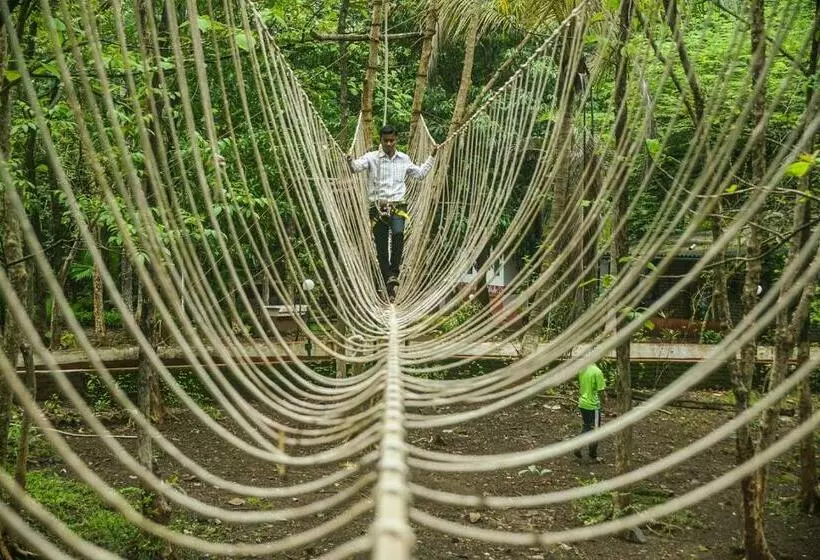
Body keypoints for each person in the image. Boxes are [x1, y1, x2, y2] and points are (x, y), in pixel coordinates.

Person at [346, 125, 437, 299]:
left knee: (398, 234)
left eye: (392, 140)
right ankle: (389, 284)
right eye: (385, 140)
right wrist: (349, 159)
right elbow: (355, 168)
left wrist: (432, 156)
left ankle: (393, 273)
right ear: (380, 140)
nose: (389, 144)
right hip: (377, 207)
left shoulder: (404, 159)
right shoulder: (371, 157)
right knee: (381, 248)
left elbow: (420, 174)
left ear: (396, 140)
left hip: (398, 205)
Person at [574, 361, 606, 462]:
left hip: (583, 403)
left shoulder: (582, 369)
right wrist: (603, 402)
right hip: (593, 405)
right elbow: (601, 391)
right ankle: (592, 454)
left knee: (587, 426)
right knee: (595, 430)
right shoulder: (597, 371)